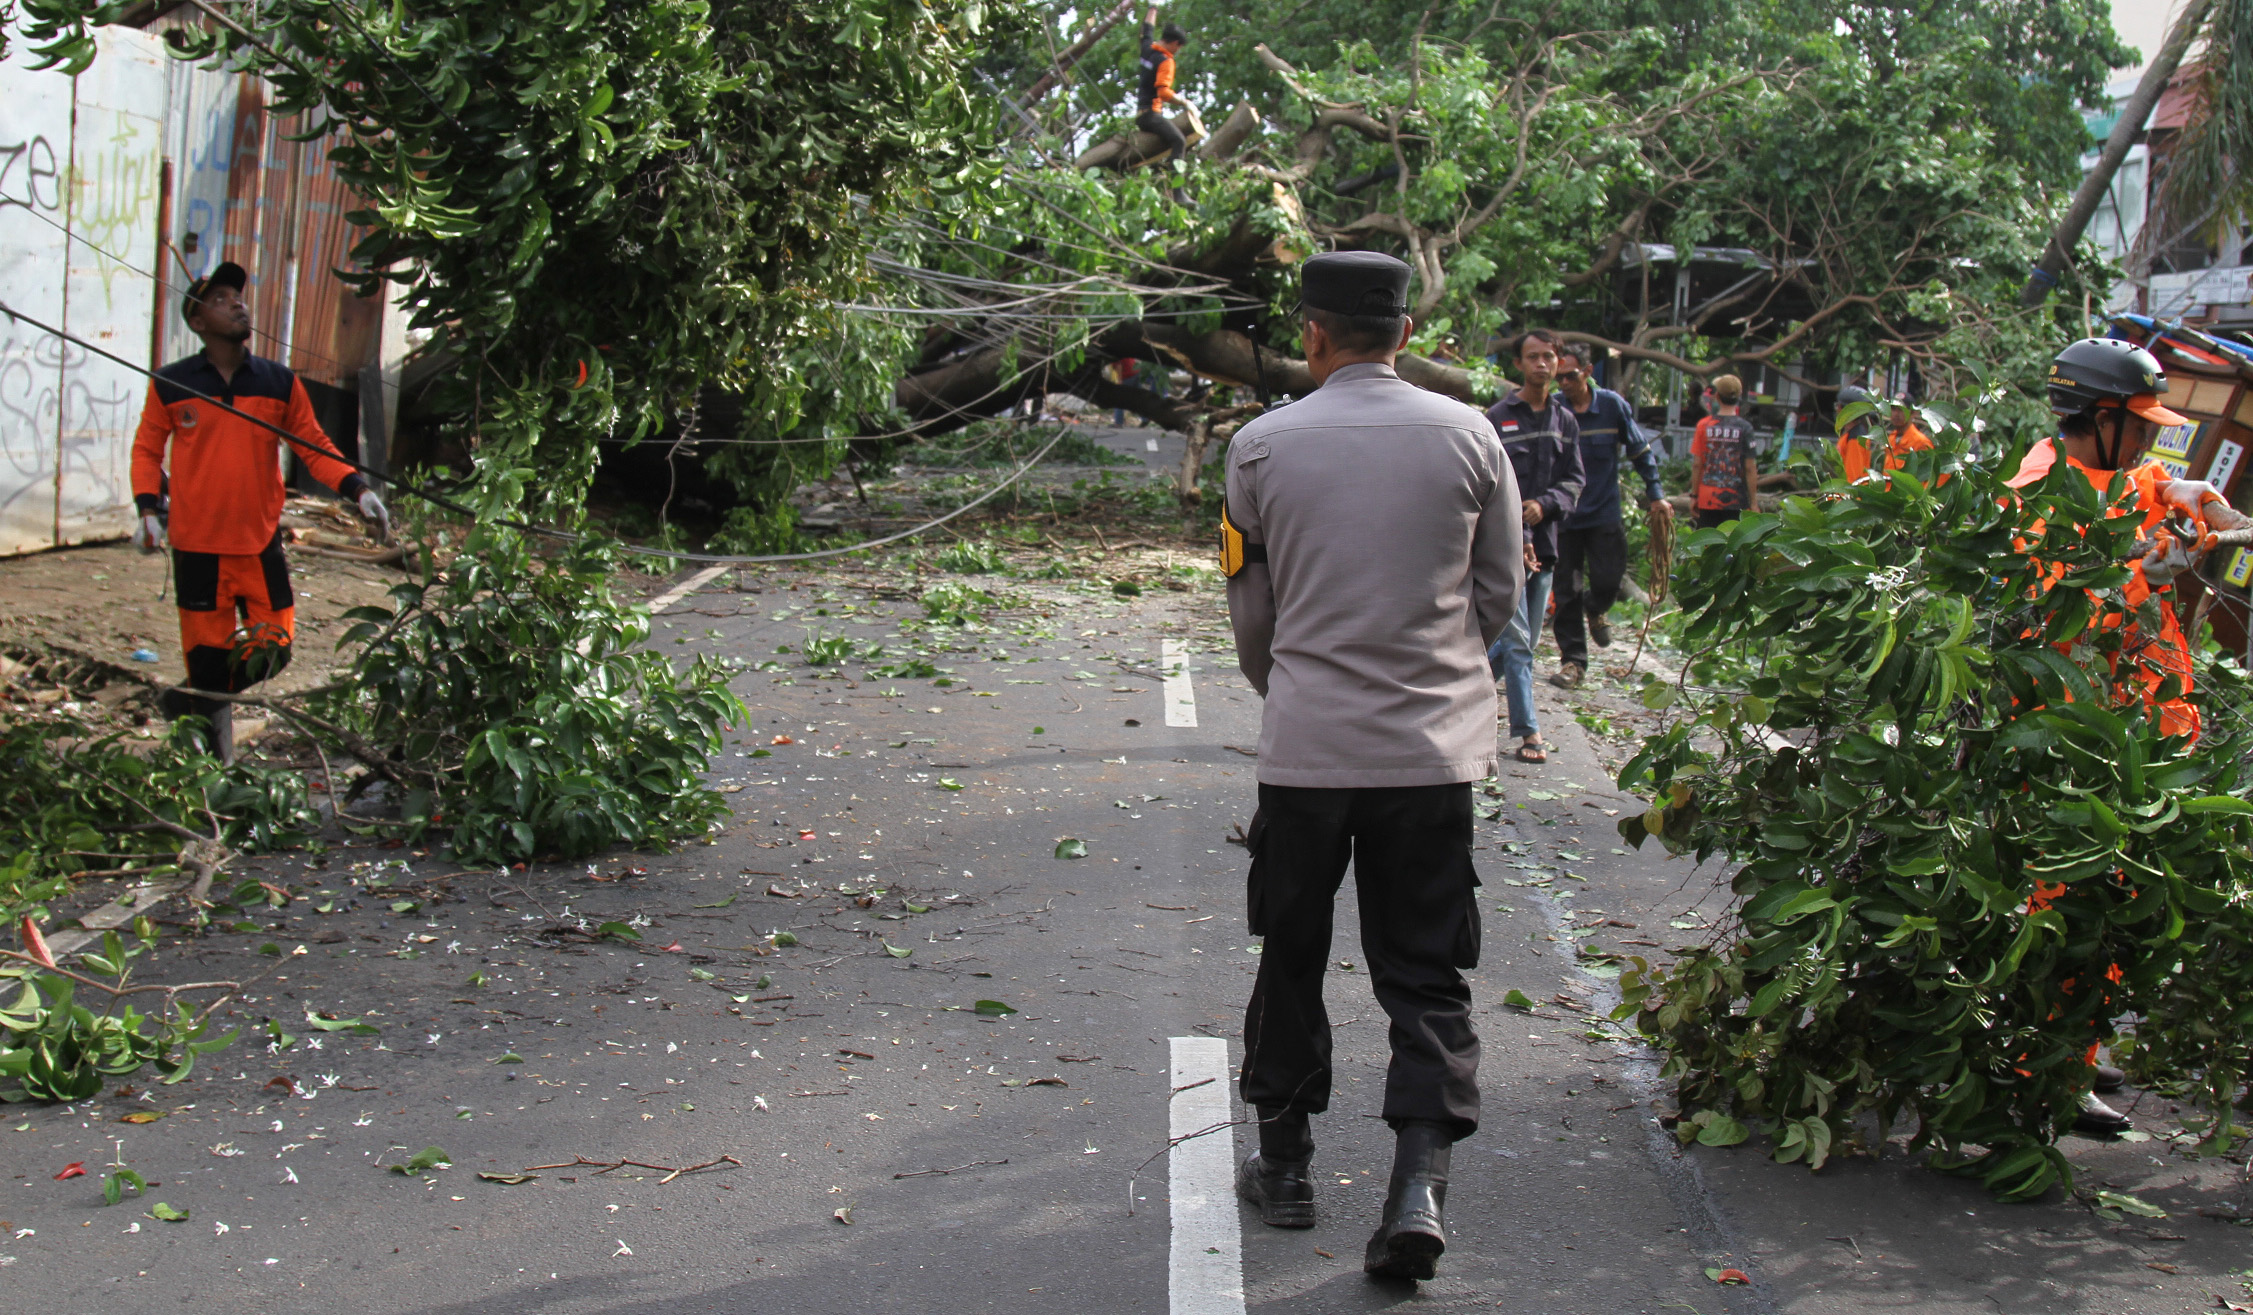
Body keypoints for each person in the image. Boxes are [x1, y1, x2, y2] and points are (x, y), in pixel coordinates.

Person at [1222, 250, 1522, 1283]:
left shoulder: (1259, 448)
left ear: (1311, 334)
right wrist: (1433, 673)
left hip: (1307, 751)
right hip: (1432, 755)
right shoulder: (1473, 435)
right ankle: (1417, 1191)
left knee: (1292, 950)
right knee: (1425, 971)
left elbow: (1252, 616)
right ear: (1404, 334)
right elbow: (1501, 596)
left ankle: (1288, 1164)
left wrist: (1297, 686)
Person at [2007, 335, 2247, 1133]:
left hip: (2125, 729)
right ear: (2098, 417)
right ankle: (2042, 1064)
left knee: (2115, 894)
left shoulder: (2112, 472)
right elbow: (2058, 603)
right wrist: (2146, 565)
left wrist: (2189, 494)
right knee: (2064, 897)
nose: (2149, 436)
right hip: (2068, 736)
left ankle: (2077, 1042)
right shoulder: (2040, 491)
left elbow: (2144, 486)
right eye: (2139, 422)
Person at [131, 261, 387, 763]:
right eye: (221, 298)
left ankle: (188, 701)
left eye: (238, 296)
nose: (237, 302)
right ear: (198, 321)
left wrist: (358, 490)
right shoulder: (171, 384)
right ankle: (211, 779)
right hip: (197, 548)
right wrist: (146, 508)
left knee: (277, 649)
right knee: (207, 666)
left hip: (258, 543)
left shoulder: (277, 382)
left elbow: (312, 445)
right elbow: (146, 451)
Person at [1483, 329, 1583, 761]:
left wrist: (1545, 505)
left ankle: (1461, 687)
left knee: (1522, 640)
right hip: (1505, 547)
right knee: (1520, 641)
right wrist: (1517, 531)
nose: (1542, 364)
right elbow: (1489, 482)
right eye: (1533, 357)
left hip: (1547, 547)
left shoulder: (1565, 421)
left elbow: (1575, 481)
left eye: (1549, 357)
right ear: (1519, 365)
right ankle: (1529, 734)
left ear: (1558, 363)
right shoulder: (1497, 417)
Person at [1548, 342, 1669, 688]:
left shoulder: (1612, 407)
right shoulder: (1554, 409)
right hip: (1565, 516)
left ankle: (1595, 606)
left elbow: (1641, 453)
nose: (1564, 383)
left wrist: (1656, 496)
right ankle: (1573, 662)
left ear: (1588, 372)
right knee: (1565, 591)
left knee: (1608, 581)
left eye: (1570, 376)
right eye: (1559, 378)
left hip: (1603, 513)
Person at [1689, 374, 1757, 529]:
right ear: (1739, 396)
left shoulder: (1704, 426)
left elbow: (1697, 465)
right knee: (1733, 546)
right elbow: (1750, 468)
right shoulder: (1745, 428)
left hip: (1708, 499)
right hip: (1737, 500)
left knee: (1707, 547)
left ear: (1717, 396)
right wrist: (1753, 502)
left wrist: (1694, 496)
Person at [1835, 383, 1933, 483]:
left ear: (1912, 413)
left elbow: (1926, 477)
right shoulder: (1890, 438)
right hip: (1888, 494)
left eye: (1901, 410)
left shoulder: (1921, 442)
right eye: (1893, 409)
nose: (1896, 414)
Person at [1135, 9, 1193, 171]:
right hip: (1151, 116)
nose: (1178, 50)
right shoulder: (1166, 61)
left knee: (1167, 139)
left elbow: (1147, 29)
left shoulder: (1147, 49)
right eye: (1179, 46)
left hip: (1140, 115)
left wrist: (1152, 8)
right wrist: (1185, 102)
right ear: (1175, 43)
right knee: (1179, 141)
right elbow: (1163, 93)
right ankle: (1178, 190)